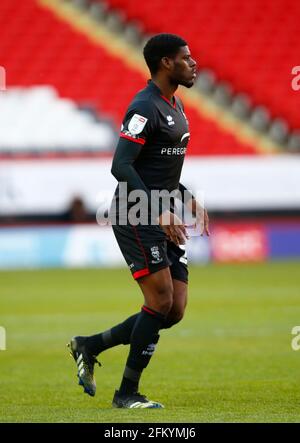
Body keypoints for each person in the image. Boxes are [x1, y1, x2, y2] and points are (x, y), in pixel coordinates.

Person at [68, 33, 210, 409]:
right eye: (186, 57)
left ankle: (91, 345)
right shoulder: (144, 107)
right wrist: (159, 209)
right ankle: (127, 393)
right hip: (134, 213)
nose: (193, 63)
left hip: (162, 211)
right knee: (160, 298)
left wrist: (187, 198)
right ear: (166, 63)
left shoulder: (176, 107)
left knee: (174, 309)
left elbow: (159, 171)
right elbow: (121, 165)